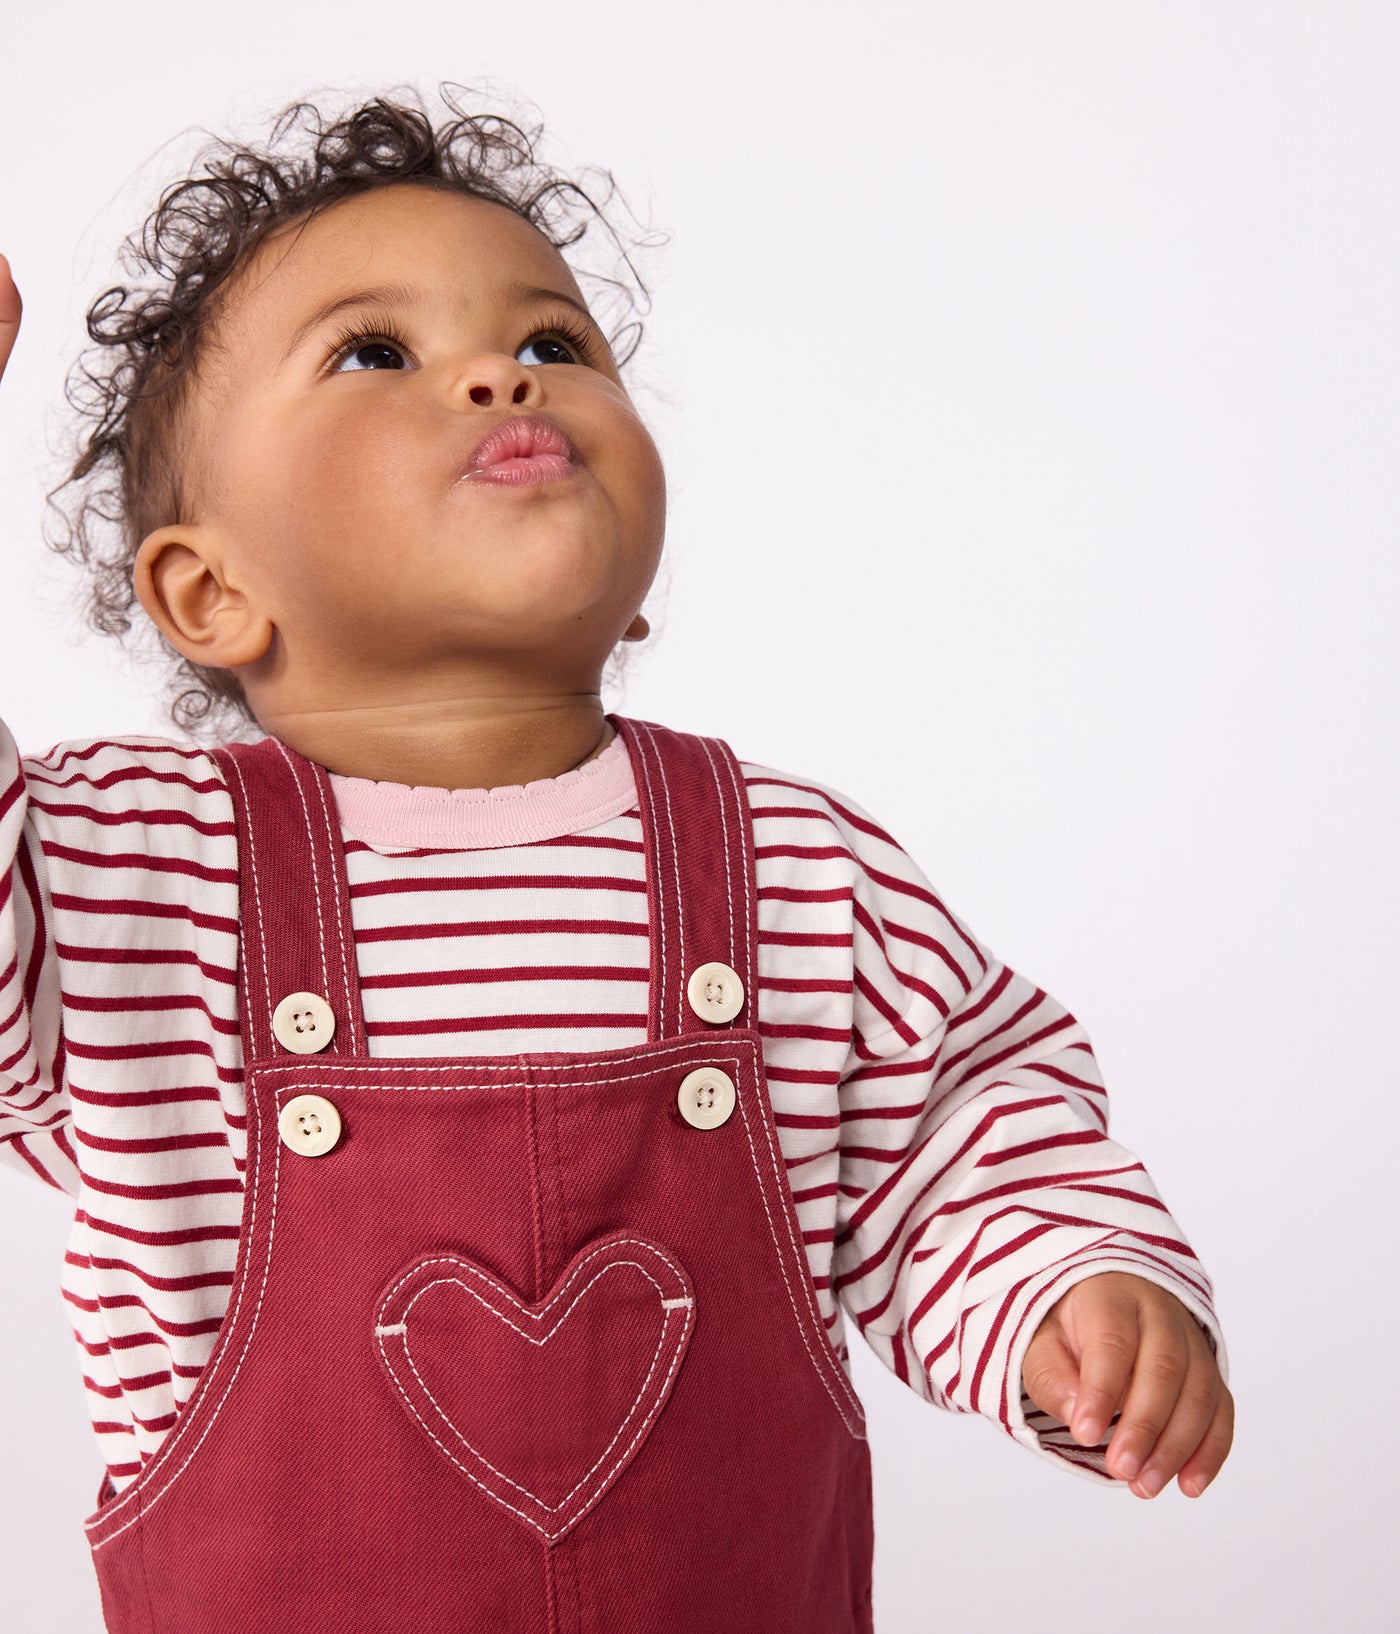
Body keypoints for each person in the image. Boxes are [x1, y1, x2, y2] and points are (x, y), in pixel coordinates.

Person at [0, 85, 1233, 1633]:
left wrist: (1071, 1298)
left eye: (556, 343)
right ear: (205, 592)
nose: (498, 373)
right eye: (375, 352)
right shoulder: (131, 875)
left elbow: (958, 1137)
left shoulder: (796, 865)